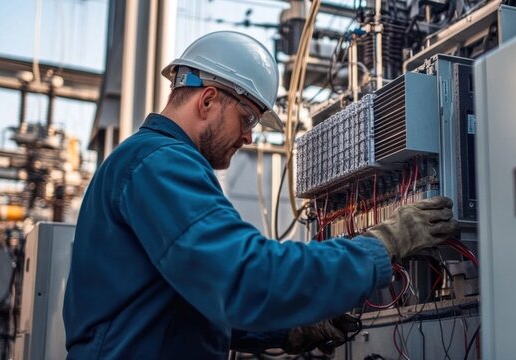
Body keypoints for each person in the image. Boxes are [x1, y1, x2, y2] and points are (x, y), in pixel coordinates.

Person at [63, 31, 459, 359]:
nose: (250, 136)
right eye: (248, 118)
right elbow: (247, 278)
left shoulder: (147, 162)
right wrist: (385, 243)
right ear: (207, 100)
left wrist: (286, 330)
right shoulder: (160, 164)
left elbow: (186, 305)